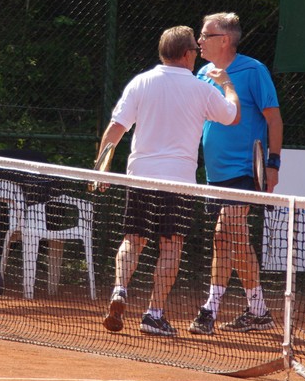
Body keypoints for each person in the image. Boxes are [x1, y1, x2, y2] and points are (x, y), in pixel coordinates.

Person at [99, 26, 240, 336]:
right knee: (171, 244)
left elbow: (115, 128)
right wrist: (227, 83)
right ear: (188, 54)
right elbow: (232, 115)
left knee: (133, 239)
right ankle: (154, 315)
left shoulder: (140, 82)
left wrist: (100, 168)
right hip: (178, 182)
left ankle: (120, 290)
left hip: (141, 176)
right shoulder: (203, 89)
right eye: (195, 50)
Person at [188, 12, 283, 335]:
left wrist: (273, 164)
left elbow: (274, 119)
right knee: (235, 238)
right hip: (214, 174)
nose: (199, 41)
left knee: (223, 233)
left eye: (205, 35)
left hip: (245, 169)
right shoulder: (203, 74)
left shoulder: (254, 71)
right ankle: (258, 310)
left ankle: (209, 309)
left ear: (225, 40)